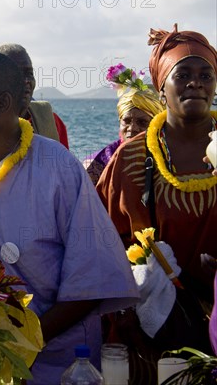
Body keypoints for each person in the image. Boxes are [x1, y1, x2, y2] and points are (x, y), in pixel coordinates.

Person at [0, 52, 138, 384]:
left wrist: (17, 345)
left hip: (50, 366)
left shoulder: (58, 167)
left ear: (2, 104)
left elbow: (92, 279)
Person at [97, 25, 217, 381]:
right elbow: (102, 240)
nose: (195, 82)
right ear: (161, 88)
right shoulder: (130, 159)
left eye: (205, 75)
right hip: (149, 331)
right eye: (182, 74)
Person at [84, 71, 164, 185]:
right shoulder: (96, 165)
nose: (132, 128)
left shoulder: (172, 160)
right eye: (126, 121)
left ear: (158, 126)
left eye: (142, 122)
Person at [0, 43, 70, 149]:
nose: (26, 81)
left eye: (29, 73)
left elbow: (64, 163)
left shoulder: (49, 121)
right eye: (16, 74)